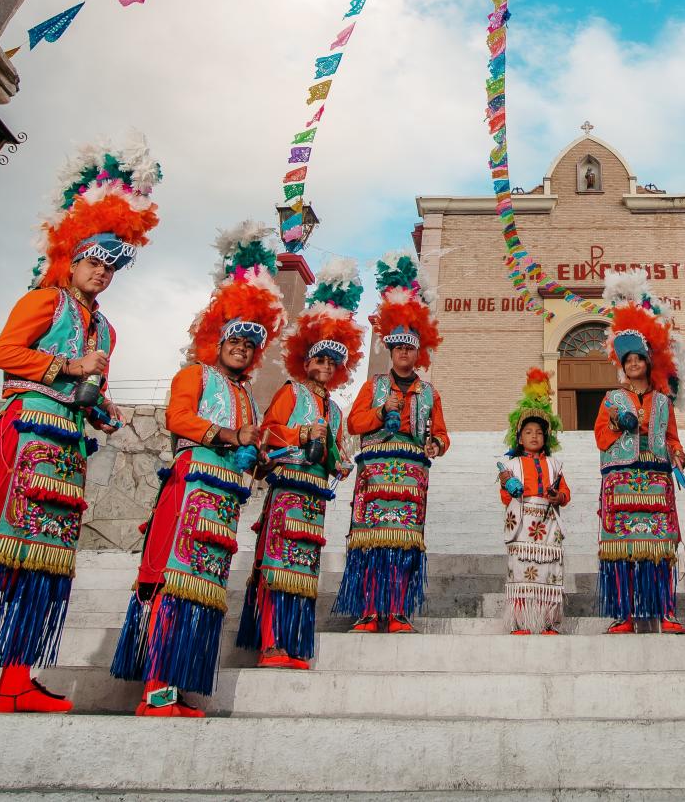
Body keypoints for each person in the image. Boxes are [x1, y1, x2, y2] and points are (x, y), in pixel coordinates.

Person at [0, 137, 162, 713]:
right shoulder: (43, 301)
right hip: (22, 438)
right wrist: (68, 366)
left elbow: (86, 388)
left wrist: (103, 408)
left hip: (67, 450)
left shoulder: (107, 331)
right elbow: (3, 353)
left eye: (111, 266)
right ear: (72, 258)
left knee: (43, 565)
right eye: (94, 260)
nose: (101, 272)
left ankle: (16, 682)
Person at [107, 221, 283, 717]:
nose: (242, 349)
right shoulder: (194, 375)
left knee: (200, 593)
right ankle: (155, 692)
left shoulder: (247, 394)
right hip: (190, 492)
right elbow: (178, 418)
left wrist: (262, 456)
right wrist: (230, 437)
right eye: (235, 341)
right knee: (174, 584)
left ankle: (172, 687)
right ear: (218, 340)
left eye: (250, 345)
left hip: (223, 504)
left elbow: (246, 441)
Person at [238, 258, 363, 670]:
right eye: (319, 361)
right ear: (304, 362)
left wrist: (335, 458)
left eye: (332, 363)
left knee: (302, 573)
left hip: (314, 499)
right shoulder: (291, 392)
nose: (325, 368)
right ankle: (270, 643)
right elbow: (270, 431)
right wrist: (301, 436)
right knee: (277, 566)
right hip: (287, 491)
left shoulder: (337, 411)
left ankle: (291, 644)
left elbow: (341, 456)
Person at [338, 252, 450, 633]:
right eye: (398, 348)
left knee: (404, 544)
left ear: (419, 352)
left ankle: (399, 610)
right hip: (375, 471)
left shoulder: (430, 392)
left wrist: (435, 443)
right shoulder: (373, 387)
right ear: (391, 351)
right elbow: (354, 423)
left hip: (411, 474)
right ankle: (369, 610)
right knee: (370, 543)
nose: (404, 353)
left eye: (410, 348)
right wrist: (380, 409)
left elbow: (442, 432)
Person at [594, 269, 685, 635]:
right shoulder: (610, 399)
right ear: (622, 365)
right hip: (620, 479)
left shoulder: (663, 400)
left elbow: (674, 439)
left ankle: (666, 611)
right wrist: (620, 423)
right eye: (627, 361)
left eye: (638, 359)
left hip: (656, 477)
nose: (633, 365)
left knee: (661, 547)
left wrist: (677, 454)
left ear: (649, 362)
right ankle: (624, 614)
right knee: (621, 550)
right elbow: (600, 436)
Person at [497, 367, 571, 635]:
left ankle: (548, 621)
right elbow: (505, 497)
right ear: (519, 438)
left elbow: (565, 494)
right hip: (523, 523)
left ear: (546, 438)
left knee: (549, 572)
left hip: (548, 523)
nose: (534, 436)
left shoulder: (555, 464)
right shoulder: (512, 465)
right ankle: (521, 622)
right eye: (528, 432)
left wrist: (557, 496)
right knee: (521, 573)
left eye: (539, 432)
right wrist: (510, 487)